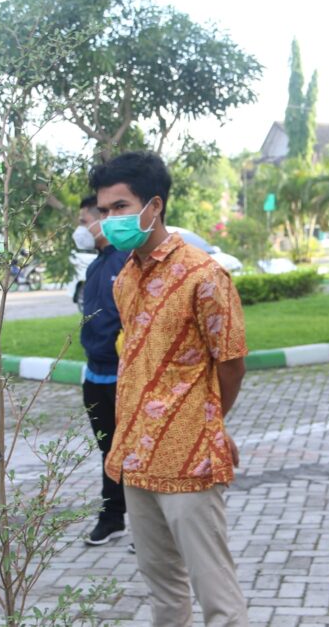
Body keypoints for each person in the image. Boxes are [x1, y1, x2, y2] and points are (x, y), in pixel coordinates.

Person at [90, 152, 249, 626]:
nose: (110, 220)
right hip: (135, 456)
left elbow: (231, 364)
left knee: (217, 596)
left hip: (189, 460)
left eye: (120, 207)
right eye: (104, 210)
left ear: (154, 206)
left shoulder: (204, 276)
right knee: (163, 591)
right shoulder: (125, 277)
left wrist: (209, 423)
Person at [75, 196, 131, 546]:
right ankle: (112, 518)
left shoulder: (126, 261)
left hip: (122, 374)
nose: (80, 229)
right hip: (94, 375)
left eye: (84, 221)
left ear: (102, 220)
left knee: (133, 450)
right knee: (108, 449)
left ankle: (150, 526)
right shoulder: (95, 266)